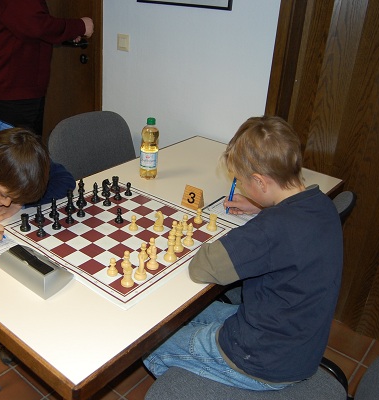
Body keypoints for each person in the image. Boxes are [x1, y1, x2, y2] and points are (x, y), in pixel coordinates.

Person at [143, 115, 343, 391]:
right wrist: (263, 206)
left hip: (260, 359)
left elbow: (202, 268)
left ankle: (197, 388)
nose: (240, 187)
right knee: (188, 314)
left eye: (241, 181)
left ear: (260, 182)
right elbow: (289, 233)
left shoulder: (271, 229)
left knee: (149, 342)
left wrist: (257, 224)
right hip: (298, 340)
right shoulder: (321, 203)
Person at [0, 0, 94, 136]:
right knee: (18, 147)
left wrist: (66, 33)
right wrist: (80, 26)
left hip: (15, 84)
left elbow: (23, 23)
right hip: (7, 85)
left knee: (25, 145)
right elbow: (35, 24)